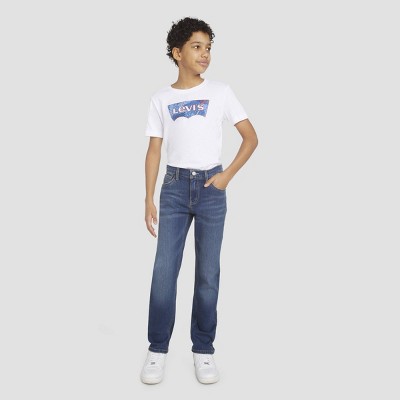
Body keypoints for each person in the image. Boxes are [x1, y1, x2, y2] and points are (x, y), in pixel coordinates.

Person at [141, 16, 258, 385]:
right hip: (174, 188)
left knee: (208, 273)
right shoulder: (161, 99)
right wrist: (148, 198)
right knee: (164, 270)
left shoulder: (221, 92)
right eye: (196, 47)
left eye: (208, 48)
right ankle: (157, 349)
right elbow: (154, 150)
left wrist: (226, 177)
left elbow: (251, 137)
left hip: (211, 188)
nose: (205, 54)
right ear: (177, 53)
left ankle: (203, 350)